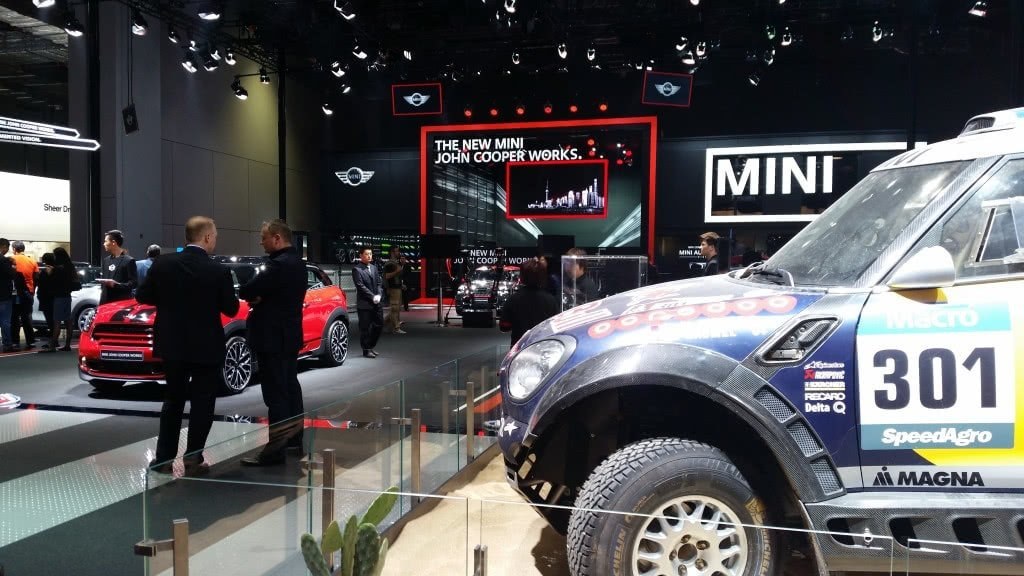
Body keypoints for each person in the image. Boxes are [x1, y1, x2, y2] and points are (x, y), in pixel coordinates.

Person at [136, 216, 239, 475]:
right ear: (207, 237)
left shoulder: (163, 264)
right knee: (203, 402)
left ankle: (163, 459)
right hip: (206, 345)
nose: (215, 240)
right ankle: (193, 457)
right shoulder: (217, 270)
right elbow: (231, 308)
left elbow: (143, 295)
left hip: (172, 343)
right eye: (215, 236)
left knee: (173, 400)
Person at [239, 219, 308, 466]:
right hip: (290, 336)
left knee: (275, 394)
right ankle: (294, 440)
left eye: (264, 237)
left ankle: (275, 451)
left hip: (271, 338)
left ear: (277, 238)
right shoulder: (299, 264)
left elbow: (246, 290)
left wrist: (259, 297)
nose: (261, 242)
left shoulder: (276, 265)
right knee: (290, 387)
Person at [499, 258, 560, 345]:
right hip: (543, 346)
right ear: (543, 276)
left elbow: (504, 327)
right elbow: (556, 326)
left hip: (519, 347)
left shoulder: (513, 299)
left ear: (522, 276)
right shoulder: (551, 300)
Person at [39, 248, 77, 353]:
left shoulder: (57, 268)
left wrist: (50, 273)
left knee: (57, 321)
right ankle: (67, 345)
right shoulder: (70, 266)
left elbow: (53, 282)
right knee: (68, 321)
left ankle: (52, 346)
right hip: (67, 296)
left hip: (59, 297)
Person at [352, 246, 384, 358]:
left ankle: (370, 345)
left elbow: (379, 283)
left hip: (377, 302)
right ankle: (366, 349)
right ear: (361, 255)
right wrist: (372, 296)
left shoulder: (374, 268)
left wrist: (379, 295)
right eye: (366, 254)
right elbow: (360, 286)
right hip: (364, 304)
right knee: (365, 328)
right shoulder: (357, 269)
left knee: (379, 325)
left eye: (370, 254)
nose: (369, 256)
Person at [9, 241, 38, 349]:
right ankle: (30, 341)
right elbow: (36, 278)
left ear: (14, 249)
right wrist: (32, 291)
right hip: (28, 293)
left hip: (14, 293)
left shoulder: (11, 260)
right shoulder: (32, 261)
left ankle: (15, 342)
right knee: (27, 317)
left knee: (14, 318)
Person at [99, 229, 137, 304]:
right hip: (105, 302)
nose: (104, 244)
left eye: (106, 241)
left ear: (113, 242)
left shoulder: (129, 260)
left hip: (120, 303)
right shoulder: (106, 260)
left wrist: (117, 285)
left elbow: (134, 283)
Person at [382, 245, 407, 334]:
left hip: (397, 288)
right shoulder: (390, 264)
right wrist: (397, 271)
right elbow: (387, 276)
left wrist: (401, 285)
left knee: (396, 309)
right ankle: (396, 328)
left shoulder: (395, 263)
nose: (398, 253)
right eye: (397, 251)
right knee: (395, 308)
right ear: (392, 252)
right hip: (393, 289)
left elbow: (396, 277)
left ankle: (382, 324)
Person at [35, 253, 55, 342]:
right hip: (53, 298)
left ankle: (53, 340)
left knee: (50, 319)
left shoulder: (45, 272)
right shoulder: (56, 270)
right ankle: (54, 339)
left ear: (44, 260)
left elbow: (41, 284)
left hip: (46, 298)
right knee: (53, 319)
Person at [0, 239, 15, 353]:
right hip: (4, 295)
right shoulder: (4, 260)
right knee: (5, 321)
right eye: (7, 247)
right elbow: (11, 274)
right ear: (3, 246)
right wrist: (12, 264)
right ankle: (7, 344)